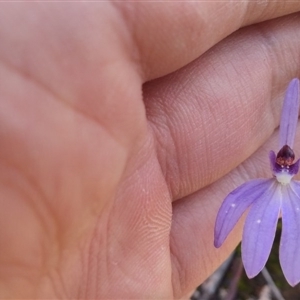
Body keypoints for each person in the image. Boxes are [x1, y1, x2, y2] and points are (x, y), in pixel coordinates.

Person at [1, 2, 300, 299]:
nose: (285, 163)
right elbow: (228, 215)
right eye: (283, 160)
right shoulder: (250, 193)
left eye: (287, 161)